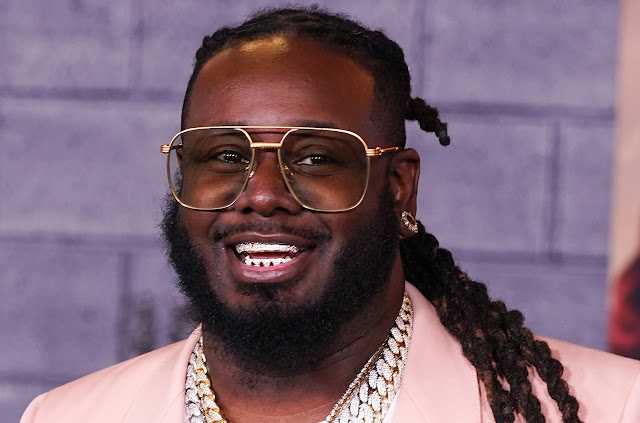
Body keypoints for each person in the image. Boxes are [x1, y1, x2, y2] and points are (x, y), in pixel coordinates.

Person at [20, 6, 640, 423]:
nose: (262, 193)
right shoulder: (67, 417)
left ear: (399, 188)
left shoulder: (611, 408)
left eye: (316, 157)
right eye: (225, 155)